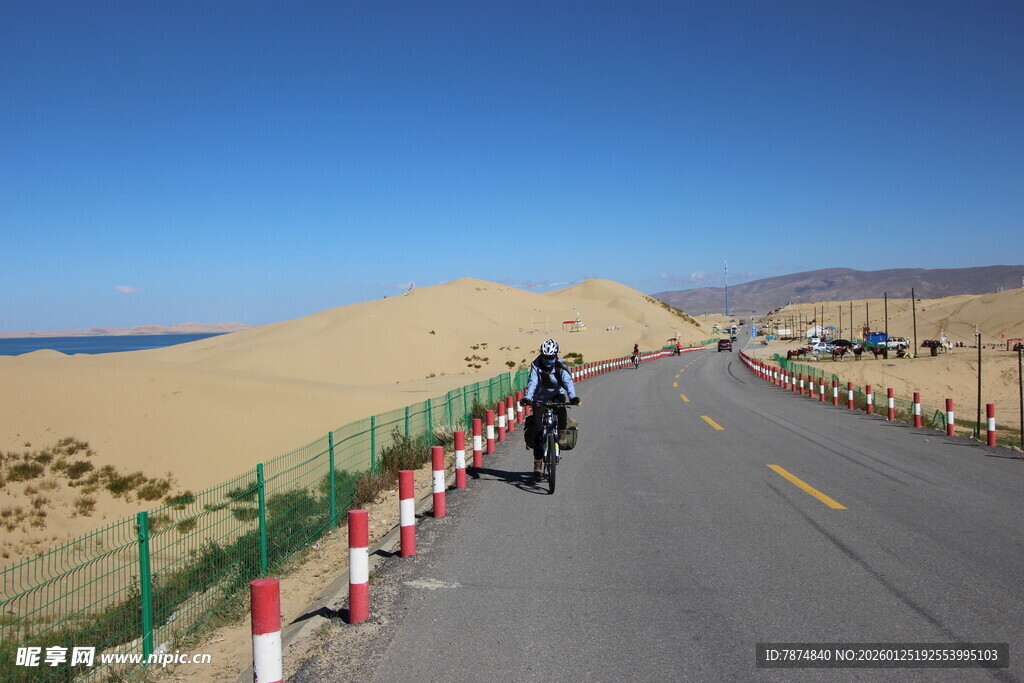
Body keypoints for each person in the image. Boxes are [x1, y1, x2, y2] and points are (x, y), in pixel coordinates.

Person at [520, 338, 580, 479]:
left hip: (556, 395)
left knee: (562, 410)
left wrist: (573, 397)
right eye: (546, 357)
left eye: (550, 357)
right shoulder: (536, 365)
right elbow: (533, 382)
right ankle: (538, 463)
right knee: (538, 430)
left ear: (555, 355)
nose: (548, 360)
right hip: (539, 398)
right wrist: (528, 397)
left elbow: (567, 381)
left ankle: (561, 433)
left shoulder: (560, 364)